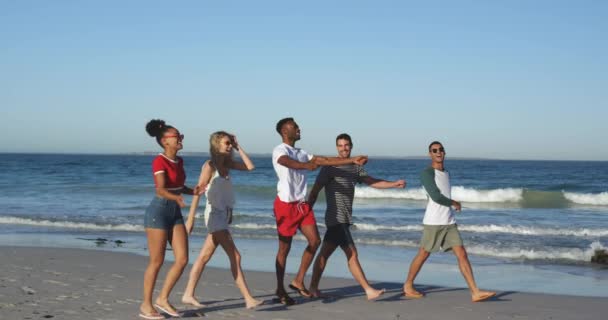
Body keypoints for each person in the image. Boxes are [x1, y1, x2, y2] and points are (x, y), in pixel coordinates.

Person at [272, 117, 368, 305]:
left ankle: (298, 280)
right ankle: (280, 289)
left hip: (301, 205)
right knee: (284, 249)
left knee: (315, 241)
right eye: (295, 126)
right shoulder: (280, 150)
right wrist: (306, 166)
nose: (299, 128)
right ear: (285, 131)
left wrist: (351, 159)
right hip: (285, 206)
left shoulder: (300, 152)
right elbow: (285, 162)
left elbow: (323, 160)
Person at [307, 133, 406, 300]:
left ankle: (313, 288)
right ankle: (368, 289)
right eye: (340, 145)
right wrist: (307, 210)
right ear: (336, 147)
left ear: (351, 146)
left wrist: (393, 184)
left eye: (346, 145)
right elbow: (315, 190)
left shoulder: (355, 167)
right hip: (336, 217)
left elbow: (372, 181)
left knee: (324, 253)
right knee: (351, 253)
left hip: (344, 218)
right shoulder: (329, 167)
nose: (343, 148)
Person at [402, 141, 496, 302]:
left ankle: (475, 292)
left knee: (462, 254)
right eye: (434, 150)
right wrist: (454, 203)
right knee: (424, 253)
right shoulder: (426, 173)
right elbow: (436, 196)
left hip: (449, 221)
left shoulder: (446, 173)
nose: (438, 152)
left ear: (444, 152)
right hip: (433, 222)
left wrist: (452, 207)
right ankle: (408, 285)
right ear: (430, 154)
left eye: (441, 150)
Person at [181, 131, 264, 309]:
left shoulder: (227, 164)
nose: (228, 146)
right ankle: (248, 299)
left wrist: (238, 146)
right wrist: (190, 220)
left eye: (229, 143)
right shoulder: (209, 166)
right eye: (226, 143)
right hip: (214, 216)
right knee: (236, 256)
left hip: (223, 214)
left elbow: (250, 167)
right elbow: (197, 193)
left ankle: (188, 294)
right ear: (216, 145)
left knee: (204, 256)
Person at [141, 119, 204, 319]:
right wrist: (176, 197)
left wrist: (191, 191)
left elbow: (177, 185)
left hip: (174, 212)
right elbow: (160, 189)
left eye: (180, 135)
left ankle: (163, 299)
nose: (180, 138)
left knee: (183, 259)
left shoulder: (180, 161)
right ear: (165, 141)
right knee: (157, 261)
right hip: (158, 212)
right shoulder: (159, 161)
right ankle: (146, 305)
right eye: (177, 136)